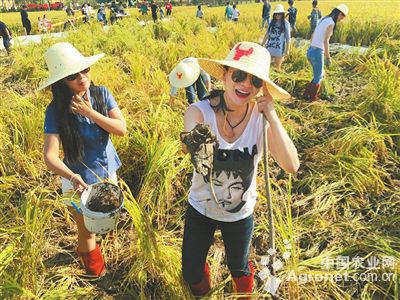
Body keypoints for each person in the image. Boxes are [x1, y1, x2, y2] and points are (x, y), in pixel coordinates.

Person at [181, 41, 299, 298]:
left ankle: (242, 295)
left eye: (255, 81)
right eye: (238, 75)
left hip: (239, 214)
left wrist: (272, 115)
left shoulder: (261, 119)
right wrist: (195, 140)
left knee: (239, 267)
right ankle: (204, 293)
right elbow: (190, 135)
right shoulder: (200, 111)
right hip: (201, 207)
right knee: (191, 272)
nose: (246, 85)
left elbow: (291, 165)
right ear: (224, 74)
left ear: (262, 88)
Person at [39, 42, 126, 277]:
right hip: (77, 180)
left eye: (84, 70)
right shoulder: (55, 111)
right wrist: (71, 176)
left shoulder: (101, 94)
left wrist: (90, 113)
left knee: (106, 218)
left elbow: (121, 129)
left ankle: (104, 251)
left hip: (106, 172)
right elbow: (50, 156)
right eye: (72, 75)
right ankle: (95, 273)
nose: (82, 78)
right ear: (61, 82)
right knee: (86, 230)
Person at [304, 4, 348, 101]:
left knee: (319, 74)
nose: (341, 19)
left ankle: (306, 93)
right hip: (317, 52)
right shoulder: (331, 22)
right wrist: (328, 57)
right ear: (340, 14)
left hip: (311, 50)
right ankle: (313, 98)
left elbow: (313, 35)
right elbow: (326, 41)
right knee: (318, 77)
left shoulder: (324, 19)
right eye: (343, 17)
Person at [262, 4, 291, 71]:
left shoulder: (286, 23)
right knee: (266, 67)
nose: (277, 15)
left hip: (279, 49)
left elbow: (288, 38)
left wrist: (287, 50)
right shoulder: (272, 22)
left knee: (277, 68)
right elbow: (267, 34)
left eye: (279, 14)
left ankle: (276, 80)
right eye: (276, 14)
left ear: (282, 14)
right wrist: (262, 44)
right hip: (269, 47)